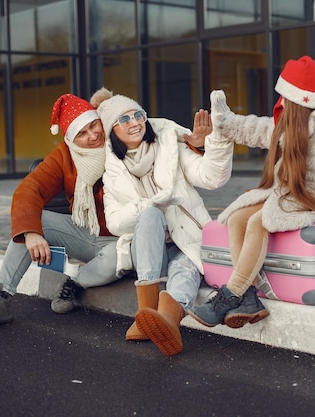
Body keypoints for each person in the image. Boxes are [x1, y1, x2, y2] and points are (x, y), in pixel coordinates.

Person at [0, 93, 209, 325]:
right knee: (30, 223)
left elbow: (165, 140)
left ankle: (75, 283)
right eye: (82, 133)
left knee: (115, 256)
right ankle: (2, 297)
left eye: (95, 125)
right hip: (84, 234)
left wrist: (199, 145)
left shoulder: (122, 142)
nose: (93, 135)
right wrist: (31, 233)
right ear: (71, 139)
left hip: (125, 239)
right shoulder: (65, 155)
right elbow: (30, 188)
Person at [187, 55, 315, 329]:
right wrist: (224, 120)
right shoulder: (287, 125)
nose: (281, 103)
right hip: (284, 195)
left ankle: (231, 294)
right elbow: (253, 129)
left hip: (312, 199)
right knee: (238, 218)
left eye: (286, 97)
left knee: (258, 221)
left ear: (300, 100)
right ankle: (249, 299)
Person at [92, 87, 234, 356]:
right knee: (150, 215)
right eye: (124, 119)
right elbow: (114, 223)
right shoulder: (112, 172)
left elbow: (212, 177)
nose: (134, 123)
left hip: (182, 239)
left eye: (138, 115)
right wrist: (151, 205)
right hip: (146, 250)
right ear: (113, 130)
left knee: (187, 266)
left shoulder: (170, 146)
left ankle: (168, 319)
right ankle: (144, 312)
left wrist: (210, 144)